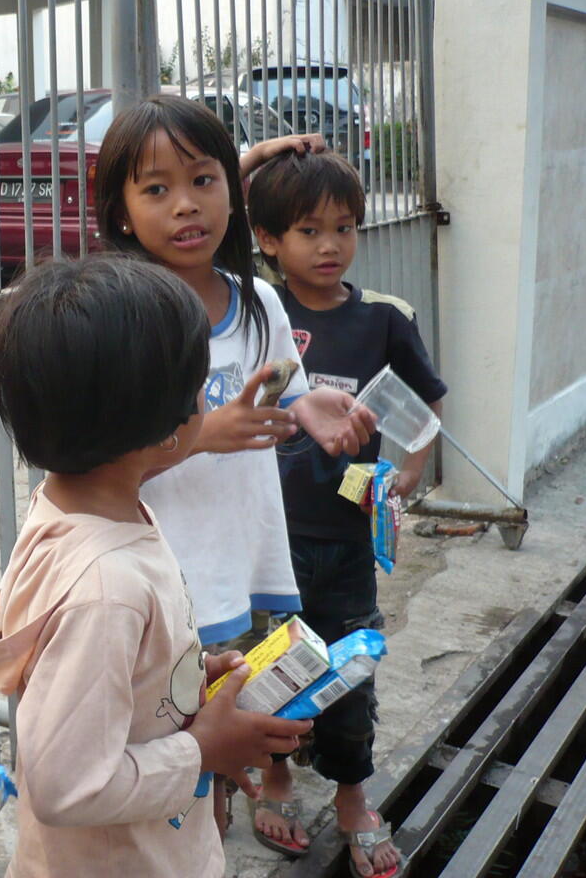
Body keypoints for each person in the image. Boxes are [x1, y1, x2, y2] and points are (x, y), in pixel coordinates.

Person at [0, 255, 314, 878]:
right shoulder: (106, 587)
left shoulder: (75, 509)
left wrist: (181, 678)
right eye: (200, 384)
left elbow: (103, 670)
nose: (208, 398)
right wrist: (202, 749)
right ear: (169, 430)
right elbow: (65, 785)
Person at [93, 95, 377, 836]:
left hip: (248, 567)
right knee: (180, 752)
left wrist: (313, 410)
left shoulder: (259, 304)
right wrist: (200, 433)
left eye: (204, 180)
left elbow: (289, 386)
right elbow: (99, 464)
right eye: (156, 189)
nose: (185, 206)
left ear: (232, 190)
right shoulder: (127, 320)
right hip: (169, 584)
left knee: (237, 734)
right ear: (121, 213)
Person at [247, 149, 446, 877]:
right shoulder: (260, 312)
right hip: (269, 542)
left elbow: (427, 405)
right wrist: (250, 163)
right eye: (308, 230)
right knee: (272, 669)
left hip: (348, 541)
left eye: (344, 227)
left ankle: (352, 795)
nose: (330, 245)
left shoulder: (383, 320)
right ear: (268, 240)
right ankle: (272, 779)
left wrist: (407, 478)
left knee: (350, 669)